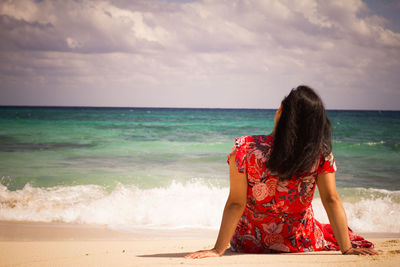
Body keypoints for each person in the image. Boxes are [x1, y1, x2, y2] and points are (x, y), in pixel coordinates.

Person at [185, 86, 378, 259]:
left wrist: (218, 250)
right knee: (329, 231)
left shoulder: (244, 149)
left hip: (250, 243)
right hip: (300, 243)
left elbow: (236, 203)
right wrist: (346, 248)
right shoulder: (320, 154)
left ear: (280, 112)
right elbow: (331, 200)